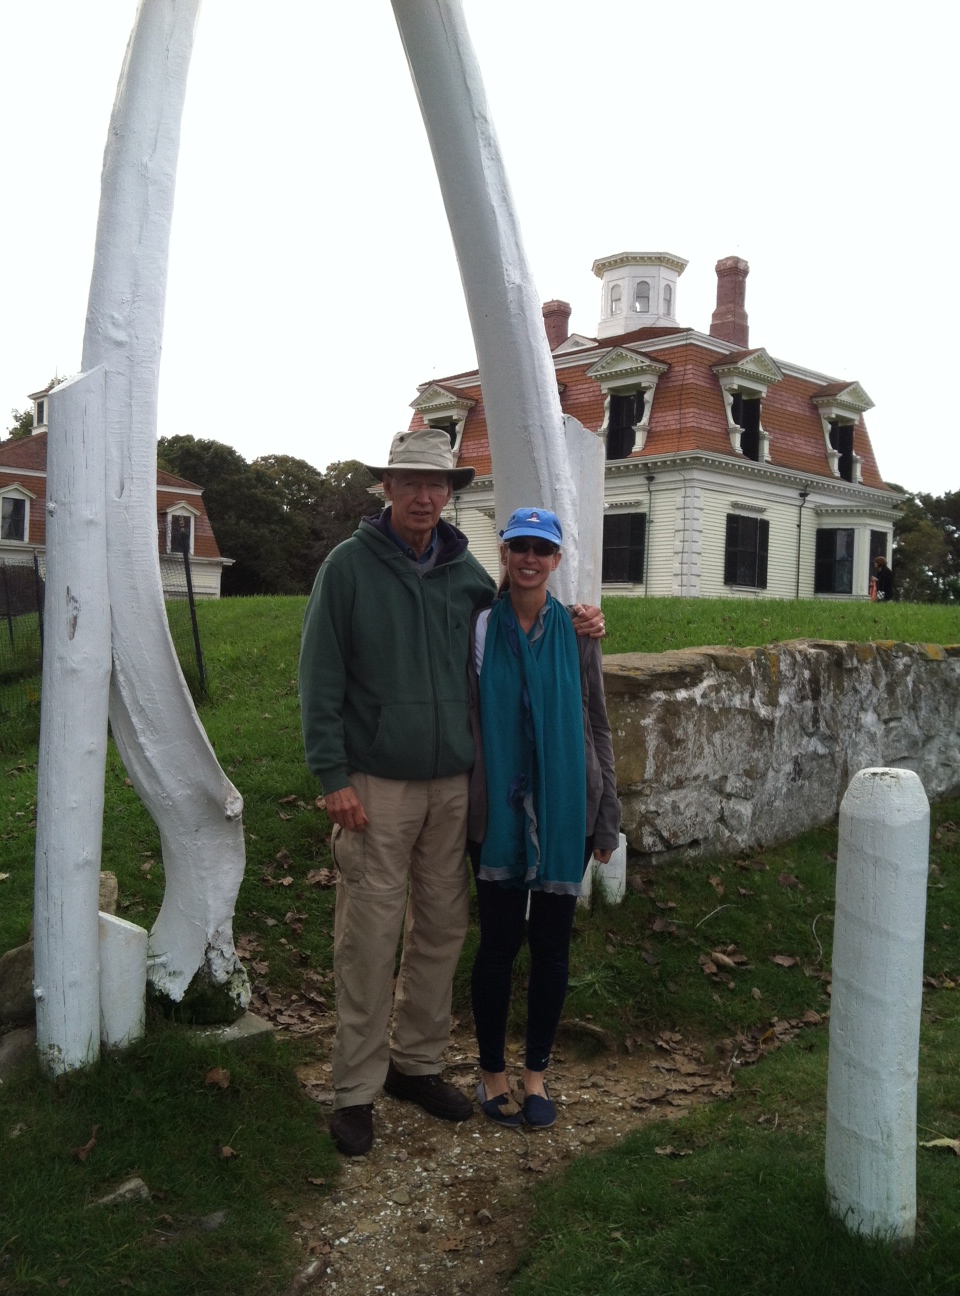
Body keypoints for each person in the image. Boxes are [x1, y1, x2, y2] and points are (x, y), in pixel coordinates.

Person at [299, 431, 603, 1156]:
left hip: (455, 786)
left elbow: (521, 620)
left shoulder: (468, 575)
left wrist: (584, 621)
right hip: (376, 782)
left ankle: (417, 1063)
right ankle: (355, 1089)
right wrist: (332, 776)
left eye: (436, 484)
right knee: (370, 935)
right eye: (410, 482)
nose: (424, 496)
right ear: (387, 487)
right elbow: (319, 675)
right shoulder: (348, 569)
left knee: (441, 931)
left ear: (450, 493)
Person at [466, 507, 621, 1129]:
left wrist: (607, 814)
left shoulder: (580, 632)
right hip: (500, 812)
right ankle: (491, 1073)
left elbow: (597, 724)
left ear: (556, 560)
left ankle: (535, 1074)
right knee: (498, 945)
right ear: (505, 553)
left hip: (566, 812)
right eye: (519, 547)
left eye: (541, 549)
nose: (529, 558)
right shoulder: (481, 628)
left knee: (553, 948)